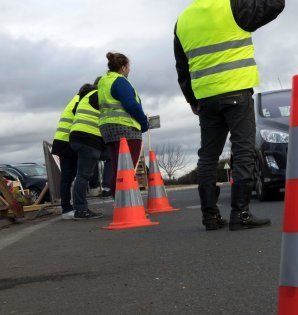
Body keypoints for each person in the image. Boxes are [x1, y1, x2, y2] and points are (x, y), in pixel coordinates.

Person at [174, 0, 284, 231]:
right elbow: (274, 5)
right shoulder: (233, 5)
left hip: (205, 98)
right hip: (236, 91)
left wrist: (192, 100)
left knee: (208, 157)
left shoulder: (182, 21)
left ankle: (210, 217)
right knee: (243, 150)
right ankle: (240, 213)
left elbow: (182, 67)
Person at [98, 52, 149, 196]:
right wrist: (144, 122)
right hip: (126, 128)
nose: (129, 69)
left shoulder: (103, 82)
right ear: (123, 67)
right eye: (128, 66)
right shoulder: (120, 81)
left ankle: (119, 202)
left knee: (117, 167)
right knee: (128, 167)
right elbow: (131, 104)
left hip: (108, 129)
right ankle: (128, 204)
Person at [69, 82, 105, 219]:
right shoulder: (96, 94)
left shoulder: (82, 100)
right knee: (83, 176)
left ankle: (100, 187)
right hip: (89, 139)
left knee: (82, 175)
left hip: (77, 138)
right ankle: (81, 210)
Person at [51, 92, 80, 220]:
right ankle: (67, 208)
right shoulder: (80, 101)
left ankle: (67, 207)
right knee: (67, 177)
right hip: (66, 143)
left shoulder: (74, 99)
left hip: (63, 142)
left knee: (67, 177)